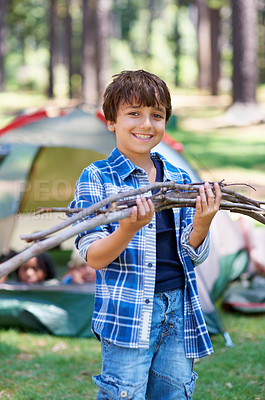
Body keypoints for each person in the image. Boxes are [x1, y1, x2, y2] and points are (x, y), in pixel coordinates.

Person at [69, 70, 221, 399]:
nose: (146, 124)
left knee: (174, 392)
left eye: (156, 115)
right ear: (111, 121)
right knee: (124, 392)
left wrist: (202, 225)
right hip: (127, 313)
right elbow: (94, 256)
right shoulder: (96, 178)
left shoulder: (178, 177)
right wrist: (127, 229)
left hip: (179, 310)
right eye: (134, 113)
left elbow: (191, 254)